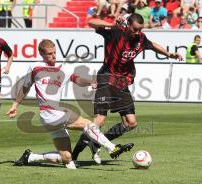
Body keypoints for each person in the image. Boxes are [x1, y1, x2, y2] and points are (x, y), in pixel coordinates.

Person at [72, 13, 183, 164]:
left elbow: (152, 45)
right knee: (99, 120)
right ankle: (74, 155)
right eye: (135, 29)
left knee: (131, 122)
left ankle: (97, 142)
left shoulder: (141, 38)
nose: (138, 32)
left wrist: (169, 54)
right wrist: (112, 24)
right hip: (106, 77)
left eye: (140, 29)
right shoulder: (115, 33)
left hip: (122, 82)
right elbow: (91, 22)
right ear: (128, 25)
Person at [6, 39, 134, 169]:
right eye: (50, 53)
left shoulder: (63, 68)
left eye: (55, 52)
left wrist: (92, 81)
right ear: (41, 53)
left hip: (53, 116)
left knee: (67, 159)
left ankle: (30, 157)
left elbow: (77, 79)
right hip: (49, 113)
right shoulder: (35, 68)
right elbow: (25, 87)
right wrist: (15, 105)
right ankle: (112, 148)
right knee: (87, 124)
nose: (54, 56)